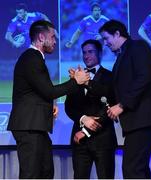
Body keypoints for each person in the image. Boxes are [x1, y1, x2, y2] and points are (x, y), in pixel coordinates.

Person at [7, 20, 89, 179]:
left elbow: (41, 91)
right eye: (52, 37)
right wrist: (75, 81)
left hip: (35, 126)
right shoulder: (31, 58)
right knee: (31, 174)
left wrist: (51, 103)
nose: (55, 41)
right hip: (29, 126)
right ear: (41, 37)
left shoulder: (35, 58)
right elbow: (48, 91)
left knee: (45, 172)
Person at [98, 20, 151, 179]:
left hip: (143, 118)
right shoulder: (121, 56)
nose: (105, 43)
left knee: (132, 169)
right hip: (135, 121)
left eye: (106, 38)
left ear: (117, 34)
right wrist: (87, 83)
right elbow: (114, 90)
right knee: (138, 169)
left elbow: (145, 78)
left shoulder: (138, 47)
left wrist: (121, 105)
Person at [65, 39, 117, 179]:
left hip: (103, 140)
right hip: (80, 142)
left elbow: (110, 108)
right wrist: (82, 118)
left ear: (100, 53)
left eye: (90, 52)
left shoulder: (110, 77)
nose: (86, 56)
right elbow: (69, 107)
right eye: (84, 53)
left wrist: (86, 131)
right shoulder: (76, 78)